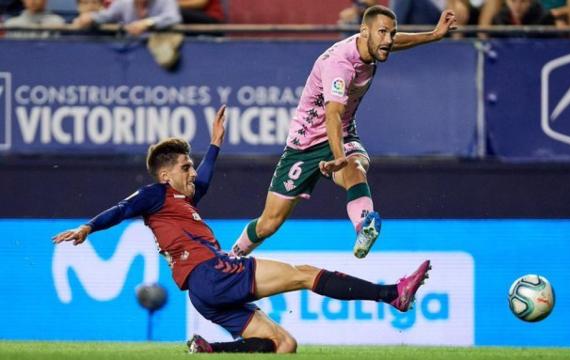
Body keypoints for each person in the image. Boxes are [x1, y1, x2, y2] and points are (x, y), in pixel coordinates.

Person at [51, 106, 432, 354]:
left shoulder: (180, 201)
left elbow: (205, 181)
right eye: (185, 167)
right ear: (166, 174)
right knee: (303, 276)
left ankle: (210, 350)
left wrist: (215, 144)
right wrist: (88, 226)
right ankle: (392, 294)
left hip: (203, 293)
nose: (191, 171)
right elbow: (122, 209)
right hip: (210, 273)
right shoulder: (156, 194)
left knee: (284, 344)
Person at [229, 5, 457, 259]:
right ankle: (232, 256)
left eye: (391, 33)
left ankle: (364, 226)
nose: (388, 40)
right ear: (363, 32)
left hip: (344, 133)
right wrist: (338, 156)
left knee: (355, 167)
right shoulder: (340, 65)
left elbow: (393, 41)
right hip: (306, 145)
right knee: (269, 223)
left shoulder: (373, 44)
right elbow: (333, 115)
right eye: (382, 33)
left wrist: (434, 35)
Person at [71, 0, 181, 36]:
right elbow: (105, 16)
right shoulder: (124, 3)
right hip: (131, 50)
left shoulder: (165, 1)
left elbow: (174, 18)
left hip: (159, 50)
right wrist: (90, 18)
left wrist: (147, 23)